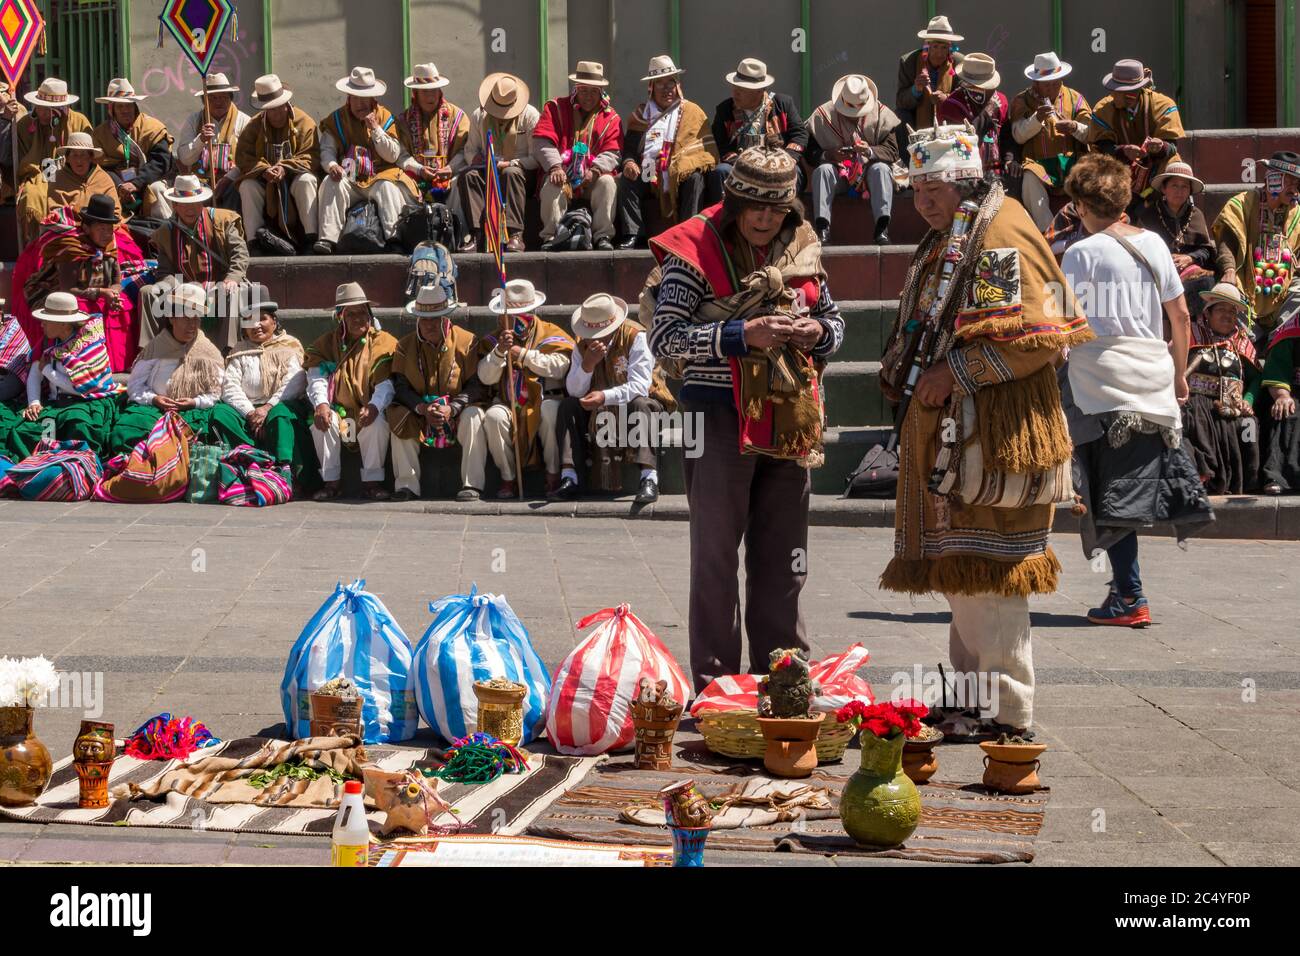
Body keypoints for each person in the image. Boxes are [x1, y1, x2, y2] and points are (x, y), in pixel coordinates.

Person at [878, 123, 1090, 736]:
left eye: (934, 185)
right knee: (966, 577)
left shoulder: (996, 234)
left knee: (990, 577)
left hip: (992, 438)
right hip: (960, 439)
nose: (922, 198)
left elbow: (1037, 337)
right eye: (916, 186)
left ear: (966, 180)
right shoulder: (957, 233)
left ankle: (1008, 712)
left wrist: (956, 370)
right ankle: (974, 702)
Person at [648, 147, 843, 692]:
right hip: (717, 416)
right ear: (734, 203)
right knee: (715, 555)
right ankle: (716, 683)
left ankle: (782, 676)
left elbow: (834, 321)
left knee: (784, 556)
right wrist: (739, 336)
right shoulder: (693, 248)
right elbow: (664, 338)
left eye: (776, 209)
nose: (764, 219)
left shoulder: (803, 247)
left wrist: (816, 334)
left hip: (788, 415)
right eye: (754, 207)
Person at [1061, 153, 1212, 628]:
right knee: (1124, 488)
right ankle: (1125, 591)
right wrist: (1180, 372)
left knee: (1110, 493)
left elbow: (1060, 321)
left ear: (1083, 206)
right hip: (1151, 382)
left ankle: (1130, 596)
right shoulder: (1155, 244)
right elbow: (1181, 317)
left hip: (1098, 388)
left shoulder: (1079, 253)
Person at [554, 292, 673, 503]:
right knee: (568, 405)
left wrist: (604, 396)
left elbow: (640, 386)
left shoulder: (636, 337)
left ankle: (649, 478)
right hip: (599, 409)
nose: (595, 337)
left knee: (641, 404)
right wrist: (587, 366)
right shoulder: (582, 344)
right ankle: (569, 477)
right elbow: (574, 390)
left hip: (639, 403)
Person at [17, 193, 147, 374]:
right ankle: (80, 365)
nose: (107, 234)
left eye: (109, 229)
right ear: (86, 227)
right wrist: (103, 293)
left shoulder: (109, 247)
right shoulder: (72, 249)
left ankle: (115, 365)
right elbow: (67, 289)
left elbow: (116, 281)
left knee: (122, 306)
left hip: (93, 292)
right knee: (81, 308)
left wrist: (114, 294)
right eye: (101, 229)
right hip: (56, 293)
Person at [473, 279, 574, 498]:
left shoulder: (551, 333)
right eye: (505, 316)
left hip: (545, 399)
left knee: (550, 412)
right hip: (509, 403)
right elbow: (485, 377)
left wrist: (524, 355)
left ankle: (553, 474)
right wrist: (499, 352)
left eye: (518, 316)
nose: (509, 321)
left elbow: (560, 367)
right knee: (493, 416)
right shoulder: (493, 339)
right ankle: (508, 478)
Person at [386, 285, 481, 502]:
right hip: (421, 409)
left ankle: (472, 484)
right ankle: (406, 485)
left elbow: (476, 386)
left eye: (435, 318)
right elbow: (401, 387)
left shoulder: (468, 341)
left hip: (457, 407)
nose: (429, 324)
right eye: (424, 318)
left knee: (474, 417)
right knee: (398, 418)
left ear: (445, 317)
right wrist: (422, 408)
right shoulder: (404, 346)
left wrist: (454, 408)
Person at [304, 282, 398, 501]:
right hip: (338, 410)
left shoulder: (384, 342)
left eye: (363, 313)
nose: (358, 319)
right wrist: (322, 405)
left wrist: (375, 406)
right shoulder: (325, 344)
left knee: (376, 424)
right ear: (340, 318)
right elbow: (315, 376)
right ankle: (332, 483)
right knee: (322, 423)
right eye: (351, 314)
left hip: (370, 407)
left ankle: (372, 483)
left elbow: (386, 382)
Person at [3, 292, 122, 461]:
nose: (41, 324)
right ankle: (40, 465)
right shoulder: (49, 342)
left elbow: (80, 387)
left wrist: (48, 371)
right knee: (31, 429)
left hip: (84, 402)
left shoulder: (89, 345)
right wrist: (34, 402)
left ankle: (79, 466)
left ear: (64, 324)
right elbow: (36, 372)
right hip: (55, 403)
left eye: (47, 320)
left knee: (78, 426)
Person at [211, 283, 312, 481]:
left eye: (262, 319)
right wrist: (250, 412)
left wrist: (266, 408)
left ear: (274, 321)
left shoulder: (289, 346)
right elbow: (229, 386)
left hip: (276, 405)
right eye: (249, 320)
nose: (256, 325)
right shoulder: (239, 350)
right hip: (247, 411)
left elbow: (295, 382)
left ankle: (285, 468)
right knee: (221, 413)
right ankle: (250, 459)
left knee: (281, 415)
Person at [615, 55, 718, 249]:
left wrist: (677, 167)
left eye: (670, 84)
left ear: (677, 86)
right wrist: (629, 162)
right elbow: (629, 149)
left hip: (679, 173)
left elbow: (703, 151)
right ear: (651, 89)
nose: (666, 90)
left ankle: (688, 234)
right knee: (626, 180)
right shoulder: (641, 115)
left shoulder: (692, 112)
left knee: (695, 178)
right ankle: (634, 233)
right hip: (649, 172)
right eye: (660, 85)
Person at [111, 283, 227, 454]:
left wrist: (195, 402)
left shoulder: (208, 352)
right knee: (128, 430)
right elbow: (135, 386)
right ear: (172, 318)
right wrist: (154, 399)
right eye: (186, 317)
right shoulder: (156, 348)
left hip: (193, 412)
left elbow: (216, 392)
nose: (192, 324)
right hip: (153, 409)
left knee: (205, 434)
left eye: (196, 318)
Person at [315, 67, 419, 255]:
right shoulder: (337, 119)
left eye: (365, 98)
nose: (360, 103)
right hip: (351, 176)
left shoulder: (385, 117)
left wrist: (376, 129)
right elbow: (327, 151)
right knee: (331, 183)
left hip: (379, 175)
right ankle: (328, 239)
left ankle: (393, 238)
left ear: (373, 99)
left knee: (388, 187)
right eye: (356, 97)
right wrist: (332, 165)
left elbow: (393, 155)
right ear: (349, 97)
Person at [140, 174, 249, 351]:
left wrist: (232, 278)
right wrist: (173, 286)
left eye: (194, 204)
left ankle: (226, 351)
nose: (190, 209)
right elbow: (165, 271)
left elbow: (240, 253)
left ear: (202, 203)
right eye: (184, 205)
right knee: (148, 292)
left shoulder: (222, 220)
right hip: (184, 285)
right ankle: (151, 351)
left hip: (220, 281)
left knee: (231, 292)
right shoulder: (166, 232)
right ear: (175, 206)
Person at [533, 60, 623, 251]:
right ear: (576, 88)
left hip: (592, 178)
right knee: (551, 185)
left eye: (593, 91)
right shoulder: (555, 108)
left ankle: (603, 236)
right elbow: (542, 141)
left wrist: (596, 171)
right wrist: (556, 167)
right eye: (584, 91)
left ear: (600, 92)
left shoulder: (611, 117)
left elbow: (613, 151)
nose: (588, 97)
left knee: (608, 183)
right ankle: (551, 236)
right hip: (563, 176)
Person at [1180, 282, 1261, 495]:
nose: (1227, 316)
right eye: (1221, 310)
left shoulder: (1242, 342)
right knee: (1197, 416)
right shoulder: (1192, 335)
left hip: (1231, 405)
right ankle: (1204, 474)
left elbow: (1255, 379)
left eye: (1232, 311)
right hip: (1196, 399)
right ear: (1208, 313)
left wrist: (1248, 401)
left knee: (1249, 426)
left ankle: (1244, 481)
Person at [1212, 151, 1300, 336]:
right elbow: (1227, 242)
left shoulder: (1297, 213)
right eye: (1289, 181)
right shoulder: (1242, 203)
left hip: (1283, 289)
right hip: (1244, 283)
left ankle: (1277, 339)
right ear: (1273, 179)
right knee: (1228, 293)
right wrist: (1228, 270)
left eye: (1296, 183)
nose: (1294, 189)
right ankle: (1252, 342)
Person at [806, 74, 899, 246]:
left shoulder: (881, 114)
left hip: (869, 177)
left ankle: (882, 228)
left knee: (881, 169)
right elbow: (810, 153)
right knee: (823, 170)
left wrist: (869, 151)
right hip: (838, 176)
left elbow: (892, 152)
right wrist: (829, 155)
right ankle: (823, 228)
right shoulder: (822, 116)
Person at [235, 74, 321, 254]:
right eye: (269, 109)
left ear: (285, 103)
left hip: (294, 178)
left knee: (306, 181)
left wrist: (284, 167)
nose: (275, 113)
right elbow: (243, 157)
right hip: (265, 180)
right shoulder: (254, 126)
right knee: (247, 186)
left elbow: (310, 156)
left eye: (278, 107)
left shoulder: (305, 122)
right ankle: (254, 242)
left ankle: (310, 238)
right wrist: (264, 169)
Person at [1086, 59, 1184, 213]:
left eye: (1118, 90)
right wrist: (1123, 150)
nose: (1112, 94)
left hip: (1154, 167)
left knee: (1175, 166)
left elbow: (1172, 147)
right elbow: (1101, 146)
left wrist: (1160, 147)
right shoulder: (1102, 109)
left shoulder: (1164, 105)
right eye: (1113, 89)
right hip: (1118, 167)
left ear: (1131, 94)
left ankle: (1168, 214)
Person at [1009, 52, 1092, 232]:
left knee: (1089, 178)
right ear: (1036, 83)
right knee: (1030, 179)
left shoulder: (1074, 97)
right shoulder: (1021, 100)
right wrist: (1036, 119)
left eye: (1057, 82)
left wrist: (1073, 126)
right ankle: (1049, 232)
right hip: (1038, 163)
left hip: (1072, 161)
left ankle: (1085, 228)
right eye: (1047, 85)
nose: (1053, 88)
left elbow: (1089, 133)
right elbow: (1018, 135)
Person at [458, 73, 539, 253]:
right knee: (468, 175)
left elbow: (536, 158)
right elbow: (470, 149)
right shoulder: (479, 116)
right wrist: (475, 159)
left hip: (520, 172)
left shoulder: (530, 116)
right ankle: (477, 235)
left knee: (511, 173)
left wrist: (512, 163)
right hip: (488, 169)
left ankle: (515, 234)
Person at [709, 58, 809, 199]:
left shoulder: (783, 104)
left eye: (741, 90)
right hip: (739, 165)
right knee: (721, 171)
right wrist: (742, 164)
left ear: (759, 91)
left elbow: (800, 134)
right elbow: (720, 144)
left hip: (777, 163)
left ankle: (786, 217)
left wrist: (788, 159)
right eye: (734, 87)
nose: (735, 93)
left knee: (794, 172)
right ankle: (724, 218)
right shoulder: (724, 110)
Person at [15, 78, 94, 244]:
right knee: (32, 196)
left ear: (60, 108)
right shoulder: (24, 125)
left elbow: (89, 157)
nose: (42, 113)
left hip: (74, 177)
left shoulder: (79, 122)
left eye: (48, 109)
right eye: (40, 107)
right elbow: (23, 163)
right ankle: (36, 248)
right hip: (37, 177)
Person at [396, 63, 471, 238]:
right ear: (415, 94)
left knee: (461, 183)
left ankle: (459, 235)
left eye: (434, 90)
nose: (430, 96)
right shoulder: (402, 121)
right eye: (425, 91)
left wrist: (450, 168)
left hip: (449, 175)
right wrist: (419, 170)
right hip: (416, 178)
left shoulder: (457, 116)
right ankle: (408, 235)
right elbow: (401, 155)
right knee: (398, 185)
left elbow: (465, 150)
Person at [1133, 161, 1220, 312]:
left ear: (1190, 191)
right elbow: (1138, 249)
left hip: (1189, 275)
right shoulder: (1149, 215)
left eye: (1184, 186)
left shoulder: (1196, 214)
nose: (1179, 191)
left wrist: (1190, 258)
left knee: (1205, 282)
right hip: (1156, 274)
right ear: (1163, 188)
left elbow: (1206, 251)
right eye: (1174, 185)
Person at [90, 78, 174, 221]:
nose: (125, 110)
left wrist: (136, 183)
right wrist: (120, 185)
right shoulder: (100, 134)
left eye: (129, 106)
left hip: (150, 179)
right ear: (112, 109)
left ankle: (164, 232)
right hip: (117, 182)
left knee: (157, 190)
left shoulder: (152, 128)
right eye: (120, 106)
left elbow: (161, 161)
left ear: (135, 106)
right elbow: (101, 167)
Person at [16, 131, 121, 238]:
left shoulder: (103, 178)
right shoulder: (59, 179)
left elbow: (116, 211)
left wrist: (97, 227)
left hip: (104, 232)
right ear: (68, 158)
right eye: (74, 155)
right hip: (70, 232)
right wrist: (78, 221)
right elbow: (56, 212)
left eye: (83, 155)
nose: (79, 160)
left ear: (91, 157)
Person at [174, 72, 250, 212]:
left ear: (231, 98)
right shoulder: (194, 121)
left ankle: (229, 228)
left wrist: (227, 179)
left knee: (237, 191)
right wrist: (200, 140)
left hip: (232, 180)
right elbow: (185, 159)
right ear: (204, 101)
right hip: (200, 181)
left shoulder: (244, 121)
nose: (218, 102)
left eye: (223, 97)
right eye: (213, 98)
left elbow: (248, 159)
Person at [937, 54, 1016, 186]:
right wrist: (987, 113)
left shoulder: (1001, 100)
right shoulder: (951, 105)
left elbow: (1007, 135)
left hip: (997, 170)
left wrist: (1009, 159)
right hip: (964, 171)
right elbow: (961, 143)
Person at [895, 16, 965, 134]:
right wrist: (915, 89)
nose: (939, 54)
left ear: (950, 48)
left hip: (948, 121)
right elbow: (900, 101)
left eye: (944, 48)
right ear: (927, 46)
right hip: (915, 120)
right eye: (935, 47)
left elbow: (964, 98)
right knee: (901, 116)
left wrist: (947, 99)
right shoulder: (909, 62)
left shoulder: (959, 62)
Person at [1260, 293, 1300, 494]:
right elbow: (1277, 368)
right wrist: (1282, 395)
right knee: (1287, 410)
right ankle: (1277, 477)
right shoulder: (1290, 332)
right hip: (1295, 391)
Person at [0, 80, 28, 205]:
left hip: (19, 174)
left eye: (3, 92)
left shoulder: (19, 109)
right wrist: (5, 119)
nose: (2, 97)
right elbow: (3, 156)